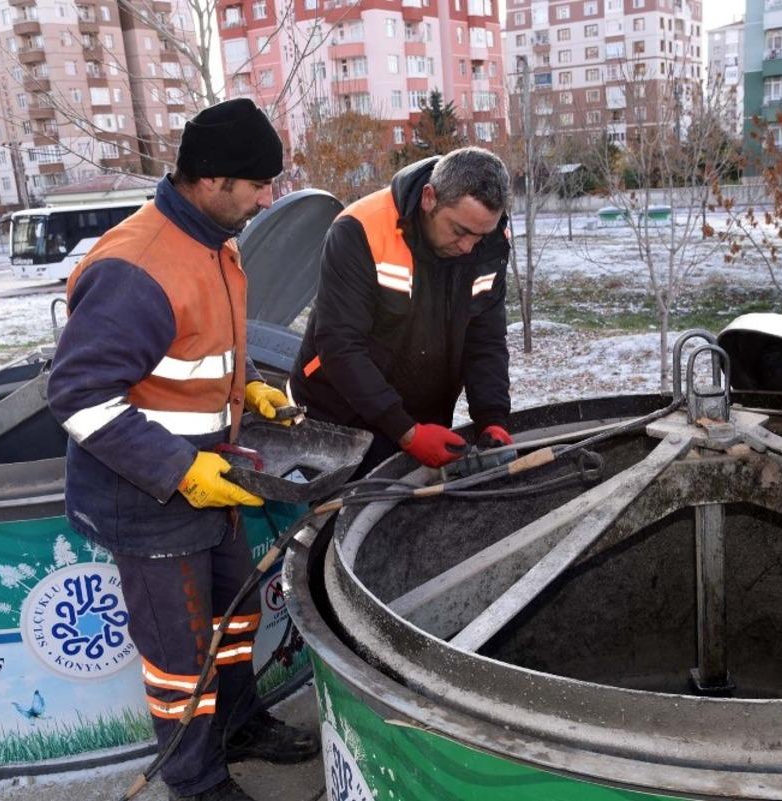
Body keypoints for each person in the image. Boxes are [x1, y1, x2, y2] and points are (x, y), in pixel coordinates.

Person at [46, 98, 317, 801]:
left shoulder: (212, 239)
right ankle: (194, 781)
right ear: (210, 177)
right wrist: (179, 469)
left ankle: (239, 725)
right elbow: (77, 395)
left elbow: (203, 345)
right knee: (178, 657)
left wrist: (251, 387)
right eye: (258, 184)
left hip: (209, 477)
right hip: (148, 497)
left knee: (233, 618)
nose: (268, 198)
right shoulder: (137, 266)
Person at [289, 147, 513, 474]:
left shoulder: (487, 244)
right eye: (460, 231)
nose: (468, 247)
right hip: (340, 418)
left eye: (480, 235)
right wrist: (405, 431)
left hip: (424, 420)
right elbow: (339, 346)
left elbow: (485, 339)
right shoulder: (360, 229)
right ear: (429, 198)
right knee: (345, 517)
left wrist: (492, 419)